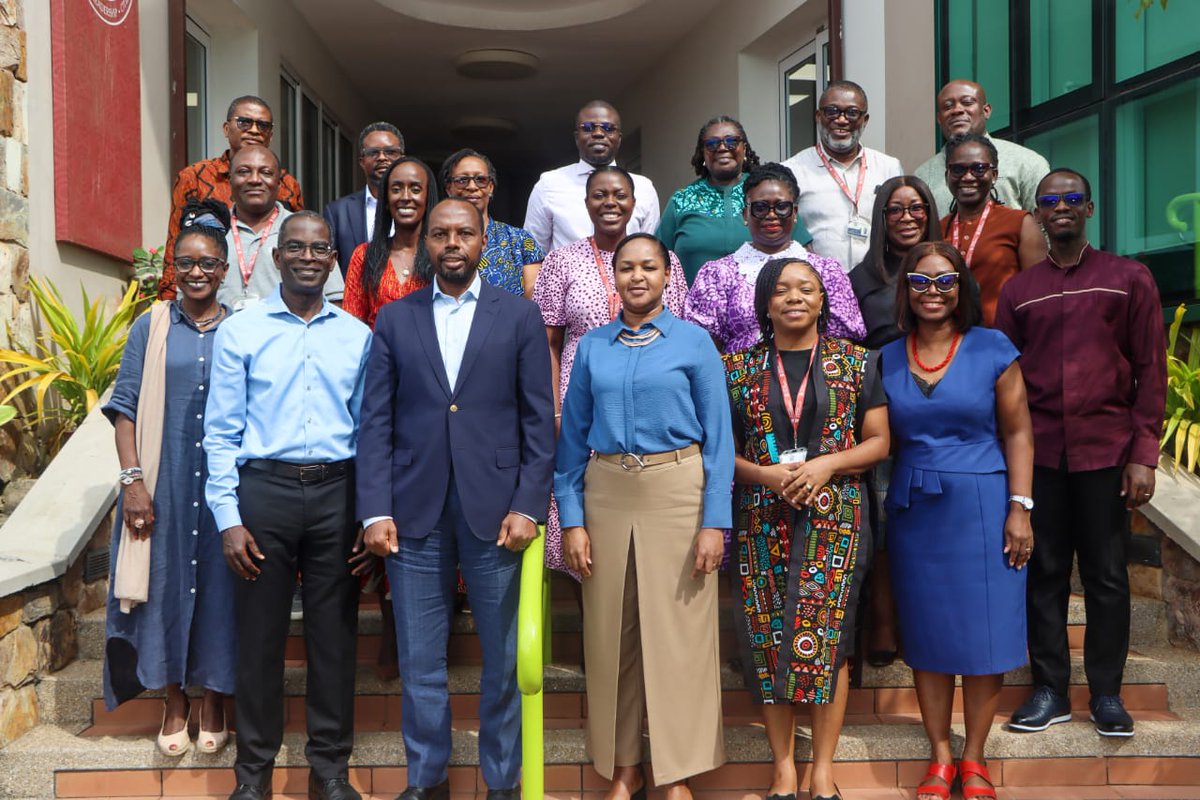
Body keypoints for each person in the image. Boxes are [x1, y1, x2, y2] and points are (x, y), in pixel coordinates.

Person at [359, 199, 555, 800]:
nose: (451, 243)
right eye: (440, 233)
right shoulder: (396, 319)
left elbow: (538, 421)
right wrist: (375, 509)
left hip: (497, 512)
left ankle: (501, 781)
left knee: (503, 660)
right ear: (426, 244)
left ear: (481, 242)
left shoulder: (518, 315)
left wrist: (528, 506)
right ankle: (427, 780)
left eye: (463, 233)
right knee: (420, 661)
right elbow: (375, 421)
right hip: (411, 512)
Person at [557, 233, 734, 800]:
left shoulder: (695, 342)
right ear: (613, 277)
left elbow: (719, 441)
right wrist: (572, 519)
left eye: (649, 267)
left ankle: (677, 773)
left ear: (666, 276)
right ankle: (625, 768)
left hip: (678, 489)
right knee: (612, 636)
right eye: (627, 268)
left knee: (680, 636)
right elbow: (571, 441)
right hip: (607, 491)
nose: (637, 277)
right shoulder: (592, 347)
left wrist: (714, 521)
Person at [204, 212, 371, 800]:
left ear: (332, 260)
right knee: (259, 641)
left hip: (337, 494)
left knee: (334, 640)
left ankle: (329, 771)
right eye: (295, 247)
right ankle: (252, 777)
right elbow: (220, 434)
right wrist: (229, 518)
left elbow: (370, 432)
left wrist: (369, 513)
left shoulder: (357, 336)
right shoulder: (241, 332)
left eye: (319, 249)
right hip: (264, 494)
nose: (307, 257)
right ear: (277, 258)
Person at [996, 169, 1168, 740]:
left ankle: (1107, 694)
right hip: (1041, 454)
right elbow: (1006, 380)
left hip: (1106, 451)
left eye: (1072, 198)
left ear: (1089, 208)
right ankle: (1049, 690)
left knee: (1107, 576)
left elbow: (1151, 369)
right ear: (1038, 214)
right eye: (1050, 200)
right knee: (1043, 572)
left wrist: (1144, 452)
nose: (1061, 207)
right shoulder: (1020, 291)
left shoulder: (1128, 278)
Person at [727, 258, 889, 800]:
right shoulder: (737, 369)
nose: (794, 297)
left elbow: (879, 442)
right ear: (766, 304)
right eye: (782, 290)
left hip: (834, 517)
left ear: (823, 300)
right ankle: (782, 768)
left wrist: (825, 465)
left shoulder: (857, 363)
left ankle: (821, 770)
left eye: (806, 289)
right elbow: (720, 451)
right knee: (768, 639)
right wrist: (765, 475)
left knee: (830, 641)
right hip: (761, 517)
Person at [882, 241, 1034, 800]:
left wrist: (1020, 507)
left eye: (945, 281)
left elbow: (1019, 432)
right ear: (905, 290)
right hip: (915, 510)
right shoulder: (886, 357)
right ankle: (940, 756)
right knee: (928, 634)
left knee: (984, 633)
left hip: (984, 504)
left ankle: (975, 757)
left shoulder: (993, 348)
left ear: (962, 287)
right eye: (920, 282)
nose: (933, 292)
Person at [102, 223, 235, 757]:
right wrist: (133, 482)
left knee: (223, 592)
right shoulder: (151, 325)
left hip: (225, 486)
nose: (197, 272)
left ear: (224, 270)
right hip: (164, 482)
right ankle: (175, 699)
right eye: (186, 262)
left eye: (208, 263)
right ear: (172, 269)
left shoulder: (242, 329)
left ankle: (216, 698)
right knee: (163, 588)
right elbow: (125, 410)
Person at [533, 165, 688, 580]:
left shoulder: (665, 261)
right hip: (581, 400)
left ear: (635, 204)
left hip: (653, 400)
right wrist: (555, 410)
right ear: (586, 204)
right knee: (581, 515)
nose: (610, 203)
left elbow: (681, 335)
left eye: (620, 195)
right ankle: (593, 615)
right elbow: (547, 342)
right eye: (599, 195)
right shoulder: (561, 261)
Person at [848, 175, 943, 667]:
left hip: (942, 404)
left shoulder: (948, 268)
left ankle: (923, 620)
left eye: (917, 207)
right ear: (881, 217)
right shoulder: (861, 278)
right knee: (885, 518)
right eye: (896, 209)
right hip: (883, 404)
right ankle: (883, 619)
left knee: (933, 520)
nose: (907, 217)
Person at [685, 163, 864, 354]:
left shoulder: (826, 271)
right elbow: (703, 347)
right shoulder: (717, 275)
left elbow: (843, 343)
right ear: (745, 214)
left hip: (815, 371)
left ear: (795, 213)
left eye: (782, 207)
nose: (771, 215)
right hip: (739, 372)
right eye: (760, 207)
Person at [161, 95, 304, 299]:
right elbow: (175, 243)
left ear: (270, 136)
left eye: (263, 125)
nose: (254, 130)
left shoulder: (286, 183)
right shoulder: (194, 177)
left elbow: (300, 244)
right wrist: (169, 303)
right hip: (209, 300)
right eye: (244, 122)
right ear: (227, 128)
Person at [656, 115, 812, 283]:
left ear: (744, 148)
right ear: (702, 152)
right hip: (695, 298)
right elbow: (658, 260)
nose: (722, 148)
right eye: (712, 143)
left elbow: (804, 253)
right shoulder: (681, 200)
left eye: (731, 141)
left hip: (764, 297)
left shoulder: (767, 193)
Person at [782, 81, 903, 272]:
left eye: (852, 112)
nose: (841, 120)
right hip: (818, 281)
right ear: (818, 116)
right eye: (832, 111)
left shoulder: (889, 167)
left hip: (878, 280)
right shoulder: (792, 171)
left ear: (865, 119)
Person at [217, 145, 344, 311]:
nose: (254, 179)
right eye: (244, 171)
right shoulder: (211, 230)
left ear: (279, 182)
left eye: (266, 173)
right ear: (230, 180)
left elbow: (335, 301)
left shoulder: (304, 230)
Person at [524, 100, 660, 253]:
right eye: (588, 128)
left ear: (619, 138)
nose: (598, 133)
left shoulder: (643, 188)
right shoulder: (548, 185)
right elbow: (531, 251)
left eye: (608, 128)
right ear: (577, 137)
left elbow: (650, 251)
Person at [939, 133, 1046, 325]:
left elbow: (1039, 297)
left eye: (979, 168)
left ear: (994, 175)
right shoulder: (937, 230)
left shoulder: (1020, 223)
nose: (968, 177)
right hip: (950, 340)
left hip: (1004, 339)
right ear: (947, 176)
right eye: (958, 169)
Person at [915, 80, 1051, 215]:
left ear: (986, 111)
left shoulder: (1026, 162)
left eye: (967, 102)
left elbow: (1044, 222)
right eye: (948, 106)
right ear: (939, 119)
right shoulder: (923, 176)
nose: (956, 110)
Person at [343, 157, 438, 328]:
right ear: (386, 200)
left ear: (427, 198)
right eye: (396, 189)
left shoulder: (440, 255)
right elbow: (353, 325)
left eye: (415, 189)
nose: (405, 197)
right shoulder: (364, 255)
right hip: (377, 345)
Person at [440, 148, 544, 297]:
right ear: (449, 188)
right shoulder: (435, 240)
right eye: (462, 180)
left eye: (480, 180)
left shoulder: (520, 240)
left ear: (491, 187)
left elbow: (534, 299)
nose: (472, 186)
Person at [323, 122, 405, 276]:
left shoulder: (418, 208)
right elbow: (326, 266)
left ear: (402, 159)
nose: (382, 157)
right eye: (373, 152)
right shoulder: (337, 212)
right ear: (361, 161)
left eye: (390, 152)